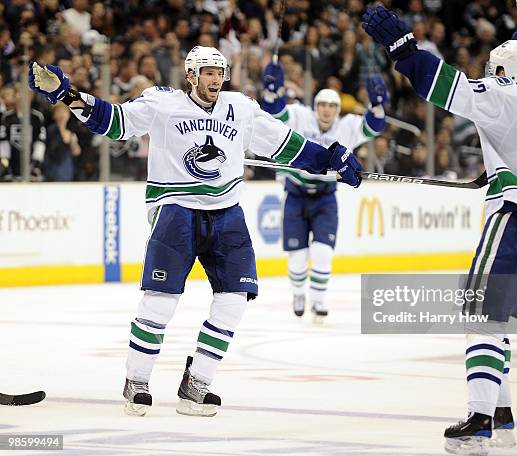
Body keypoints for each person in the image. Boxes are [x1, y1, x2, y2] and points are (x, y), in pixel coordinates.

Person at [29, 46, 362, 417]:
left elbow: (286, 146)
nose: (215, 79)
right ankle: (136, 380)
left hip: (227, 213)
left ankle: (197, 383)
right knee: (160, 301)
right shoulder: (162, 103)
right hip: (176, 209)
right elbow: (115, 122)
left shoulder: (242, 108)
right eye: (207, 72)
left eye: (220, 72)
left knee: (235, 300)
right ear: (190, 75)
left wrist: (331, 158)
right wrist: (67, 95)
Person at [362, 6, 517, 455]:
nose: (488, 74)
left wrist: (403, 49)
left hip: (516, 220)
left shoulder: (502, 96)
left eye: (495, 69)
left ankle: (478, 420)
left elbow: (438, 83)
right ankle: (502, 415)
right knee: (495, 321)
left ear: (505, 72)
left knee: (478, 316)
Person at [261, 62, 386, 318]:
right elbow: (275, 114)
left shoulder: (348, 125)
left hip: (325, 198)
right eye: (322, 105)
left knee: (322, 253)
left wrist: (378, 106)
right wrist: (271, 93)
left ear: (338, 110)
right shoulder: (300, 116)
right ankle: (298, 293)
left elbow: (374, 127)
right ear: (315, 107)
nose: (326, 110)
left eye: (332, 106)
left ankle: (318, 300)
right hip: (295, 194)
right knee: (297, 258)